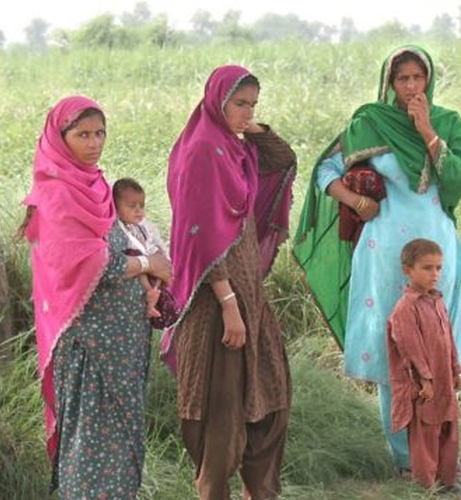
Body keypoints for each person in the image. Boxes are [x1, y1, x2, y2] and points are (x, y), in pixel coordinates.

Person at [292, 44, 461, 474]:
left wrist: (428, 130)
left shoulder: (448, 122)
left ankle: (443, 452)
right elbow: (324, 171)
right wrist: (355, 200)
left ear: (428, 80)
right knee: (400, 350)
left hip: (439, 250)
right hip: (385, 252)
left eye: (418, 77)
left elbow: (459, 182)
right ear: (389, 83)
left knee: (439, 350)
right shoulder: (369, 122)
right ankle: (406, 457)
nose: (411, 86)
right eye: (402, 78)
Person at [19, 95, 172, 499]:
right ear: (59, 137)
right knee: (90, 445)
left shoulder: (98, 186)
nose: (94, 142)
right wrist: (148, 265)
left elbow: (118, 244)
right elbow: (96, 264)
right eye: (82, 134)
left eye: (99, 133)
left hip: (121, 344)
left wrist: (146, 270)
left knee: (119, 445)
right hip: (88, 347)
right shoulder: (54, 195)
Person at [162, 64, 297, 500]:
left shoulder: (235, 148)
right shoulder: (204, 150)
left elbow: (283, 159)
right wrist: (229, 303)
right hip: (215, 301)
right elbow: (199, 234)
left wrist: (250, 125)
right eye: (239, 103)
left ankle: (258, 491)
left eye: (253, 104)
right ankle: (212, 490)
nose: (246, 112)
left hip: (247, 294)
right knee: (222, 412)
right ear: (215, 101)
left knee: (272, 398)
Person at [387, 238, 461, 492]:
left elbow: (448, 339)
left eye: (439, 268)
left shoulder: (437, 301)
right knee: (425, 436)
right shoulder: (405, 309)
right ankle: (425, 487)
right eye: (427, 268)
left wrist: (455, 368)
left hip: (444, 381)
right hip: (424, 386)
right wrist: (426, 380)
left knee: (448, 430)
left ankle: (447, 483)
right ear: (408, 270)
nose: (435, 274)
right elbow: (411, 348)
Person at [112, 177, 178, 328]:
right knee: (139, 263)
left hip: (151, 266)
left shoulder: (141, 227)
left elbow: (153, 245)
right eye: (131, 206)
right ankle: (151, 299)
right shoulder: (118, 229)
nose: (138, 210)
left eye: (141, 206)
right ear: (116, 206)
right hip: (137, 264)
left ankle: (154, 299)